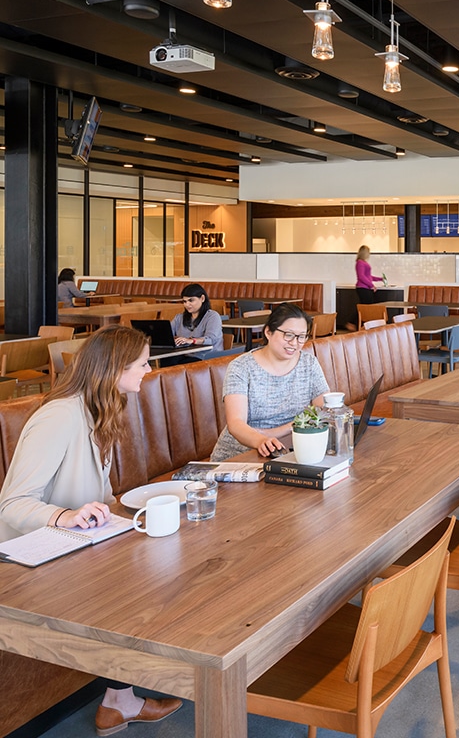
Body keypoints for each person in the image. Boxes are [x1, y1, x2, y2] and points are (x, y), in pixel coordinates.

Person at [0, 325, 182, 736]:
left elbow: (97, 494)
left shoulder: (100, 408)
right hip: (29, 561)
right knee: (137, 586)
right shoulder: (59, 416)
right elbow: (12, 504)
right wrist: (66, 516)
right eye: (142, 364)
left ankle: (121, 697)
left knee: (158, 565)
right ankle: (122, 699)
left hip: (74, 546)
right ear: (115, 368)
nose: (149, 369)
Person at [210, 303, 329, 461]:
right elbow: (236, 423)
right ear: (268, 332)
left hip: (292, 451)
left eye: (301, 336)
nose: (295, 343)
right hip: (242, 455)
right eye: (288, 335)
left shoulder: (309, 363)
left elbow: (323, 409)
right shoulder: (241, 367)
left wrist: (277, 432)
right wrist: (262, 439)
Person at [170, 283, 223, 358]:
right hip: (184, 354)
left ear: (202, 298)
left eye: (191, 300)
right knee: (167, 359)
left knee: (173, 361)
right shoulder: (179, 317)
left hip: (206, 356)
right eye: (184, 301)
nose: (187, 304)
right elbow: (167, 334)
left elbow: (211, 339)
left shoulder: (212, 316)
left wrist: (192, 340)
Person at [345, 245, 383, 331]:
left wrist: (380, 279)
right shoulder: (360, 263)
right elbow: (361, 277)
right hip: (363, 288)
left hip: (365, 288)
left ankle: (357, 324)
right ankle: (353, 323)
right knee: (364, 307)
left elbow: (368, 276)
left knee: (364, 306)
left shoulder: (363, 262)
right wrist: (371, 285)